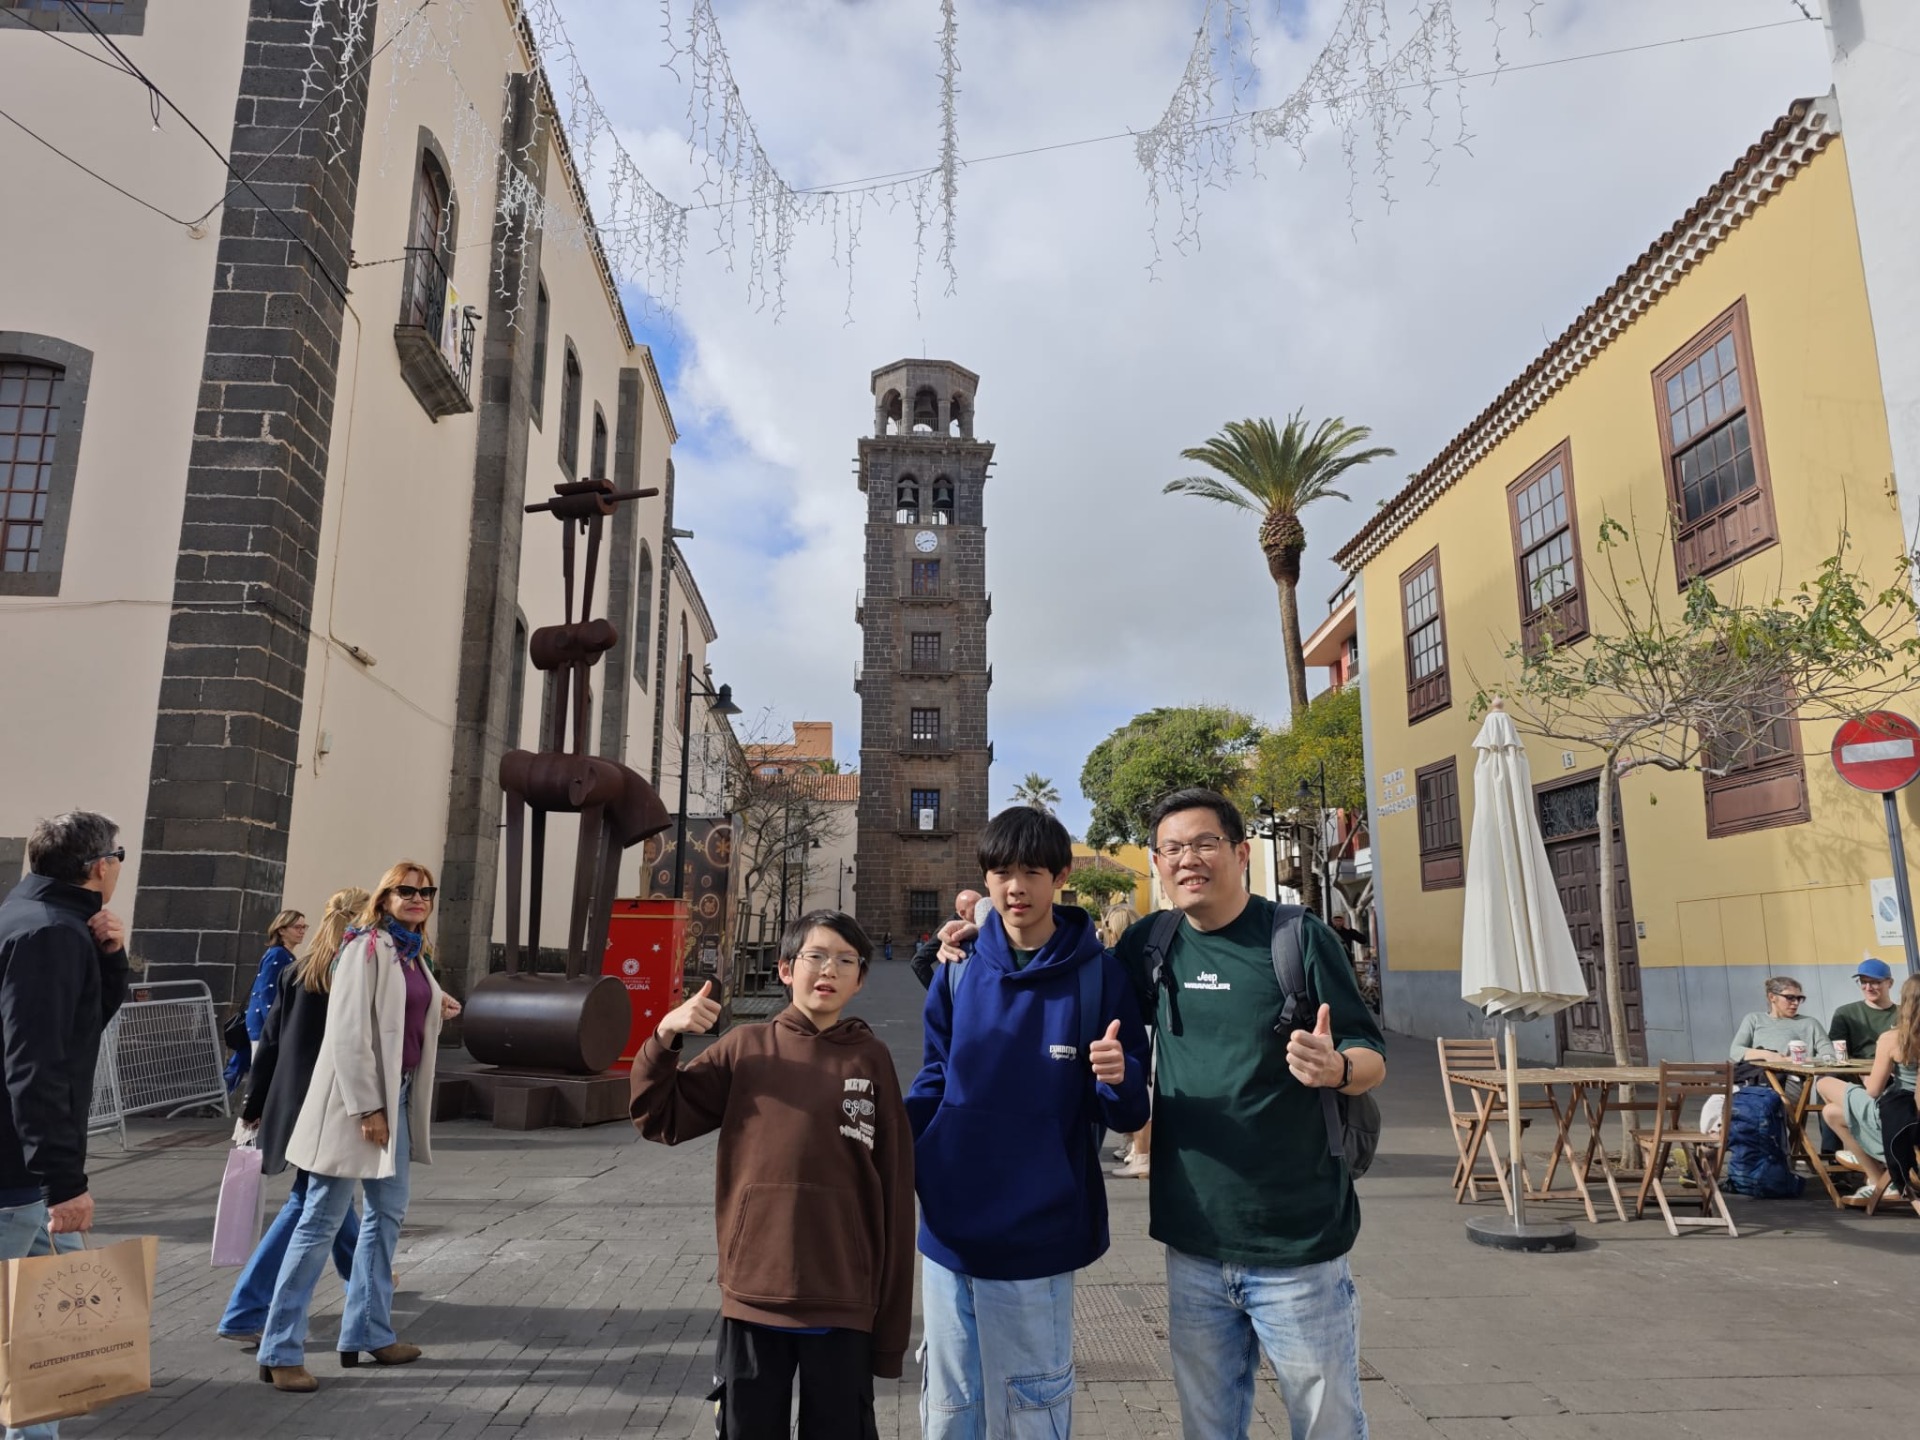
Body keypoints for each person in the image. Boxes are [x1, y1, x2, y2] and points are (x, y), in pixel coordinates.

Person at [1110, 789, 1385, 1440]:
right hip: (1194, 1241)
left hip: (1298, 1247)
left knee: (1328, 1428)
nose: (1188, 859)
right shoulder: (1153, 943)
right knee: (1209, 1430)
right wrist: (967, 949)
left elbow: (1370, 1053)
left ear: (1240, 854)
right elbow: (1071, 984)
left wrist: (1336, 1068)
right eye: (1172, 848)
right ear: (1156, 862)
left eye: (1204, 843)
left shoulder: (1297, 938)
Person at [909, 806, 1151, 1440]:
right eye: (1002, 871)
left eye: (1032, 872)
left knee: (1031, 1408)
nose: (1016, 887)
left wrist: (1117, 1078)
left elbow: (1130, 1112)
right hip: (947, 1229)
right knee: (950, 1403)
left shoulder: (1099, 978)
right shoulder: (957, 971)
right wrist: (886, 1145)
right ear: (986, 879)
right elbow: (934, 1080)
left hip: (1039, 1231)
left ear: (1061, 876)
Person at [630, 909, 913, 1439]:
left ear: (860, 980)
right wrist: (665, 1036)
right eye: (815, 956)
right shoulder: (745, 1048)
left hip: (843, 1295)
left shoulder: (871, 1059)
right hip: (756, 1292)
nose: (828, 969)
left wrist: (889, 1331)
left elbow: (895, 1191)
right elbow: (659, 1117)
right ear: (785, 969)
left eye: (845, 960)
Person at [255, 862, 461, 1393]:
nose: (417, 899)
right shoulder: (365, 946)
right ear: (384, 896)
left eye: (425, 892)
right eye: (405, 891)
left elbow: (398, 1012)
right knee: (320, 1221)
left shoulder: (411, 951)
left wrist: (437, 1006)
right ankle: (279, 1349)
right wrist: (368, 1108)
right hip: (356, 1104)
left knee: (385, 1217)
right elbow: (348, 1032)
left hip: (397, 1097)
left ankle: (369, 1330)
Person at [0, 812, 133, 1440]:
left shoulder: (32, 917)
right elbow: (38, 1065)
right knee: (30, 1348)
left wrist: (111, 958)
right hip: (18, 1178)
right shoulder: (50, 933)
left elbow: (77, 1026)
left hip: (24, 1177)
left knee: (54, 1344)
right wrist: (64, 1182)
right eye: (118, 857)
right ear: (98, 866)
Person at [217, 888, 368, 1344]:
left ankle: (365, 1277)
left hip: (290, 1104)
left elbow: (271, 1045)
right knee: (308, 1203)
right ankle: (245, 1310)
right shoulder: (351, 974)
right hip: (328, 1107)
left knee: (323, 1200)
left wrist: (254, 1107)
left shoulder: (296, 972)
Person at [1816, 975, 1920, 1208]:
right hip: (1910, 1116)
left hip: (1900, 1117)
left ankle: (1871, 1159)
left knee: (1823, 1084)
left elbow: (1873, 1090)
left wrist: (1869, 1078)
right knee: (1832, 1112)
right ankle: (1876, 1176)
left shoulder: (1894, 1038)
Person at [227, 909, 309, 1091]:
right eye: (297, 927)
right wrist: (275, 1024)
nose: (302, 931)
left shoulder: (285, 955)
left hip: (266, 1022)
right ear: (281, 930)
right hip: (264, 1023)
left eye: (304, 927)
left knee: (258, 1071)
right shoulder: (277, 955)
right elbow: (266, 993)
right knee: (262, 1076)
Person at [1099, 903, 1152, 1181]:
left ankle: (1141, 1154)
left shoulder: (1114, 959)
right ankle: (1134, 1148)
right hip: (1140, 1025)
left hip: (1124, 1028)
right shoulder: (1143, 955)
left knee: (1134, 1087)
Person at [1730, 976, 1834, 1075]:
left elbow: (1830, 1056)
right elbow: (1735, 1051)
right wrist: (1768, 1055)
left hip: (1793, 1079)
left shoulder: (1810, 1023)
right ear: (1772, 997)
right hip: (1756, 1077)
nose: (1796, 1003)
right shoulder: (1754, 1019)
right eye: (1790, 997)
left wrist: (1798, 1060)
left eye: (1799, 998)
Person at [1829, 957, 1899, 1060]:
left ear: (1890, 983)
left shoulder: (1906, 1013)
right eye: (1863, 982)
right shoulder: (1845, 1014)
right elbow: (1837, 1052)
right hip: (1856, 1072)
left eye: (1875, 982)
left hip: (1897, 1072)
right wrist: (1860, 1073)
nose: (1868, 988)